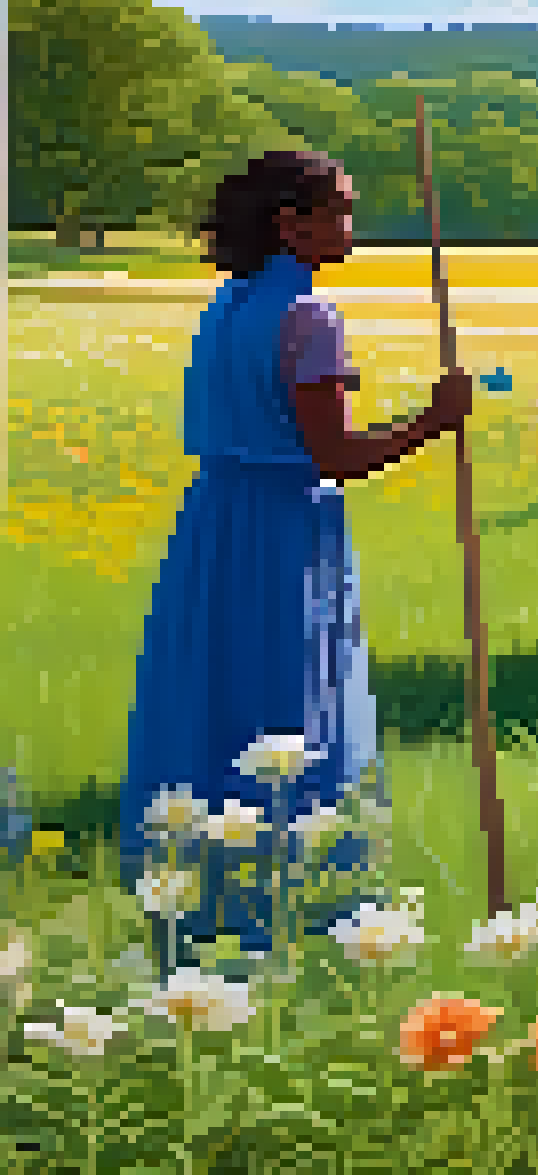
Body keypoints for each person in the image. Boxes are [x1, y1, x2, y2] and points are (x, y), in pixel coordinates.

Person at [119, 151, 471, 959]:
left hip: (214, 520)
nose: (352, 226)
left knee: (219, 691)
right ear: (292, 223)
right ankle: (301, 901)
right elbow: (335, 456)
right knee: (291, 694)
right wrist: (435, 418)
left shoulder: (228, 304)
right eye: (340, 210)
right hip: (283, 527)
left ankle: (204, 893)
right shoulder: (309, 317)